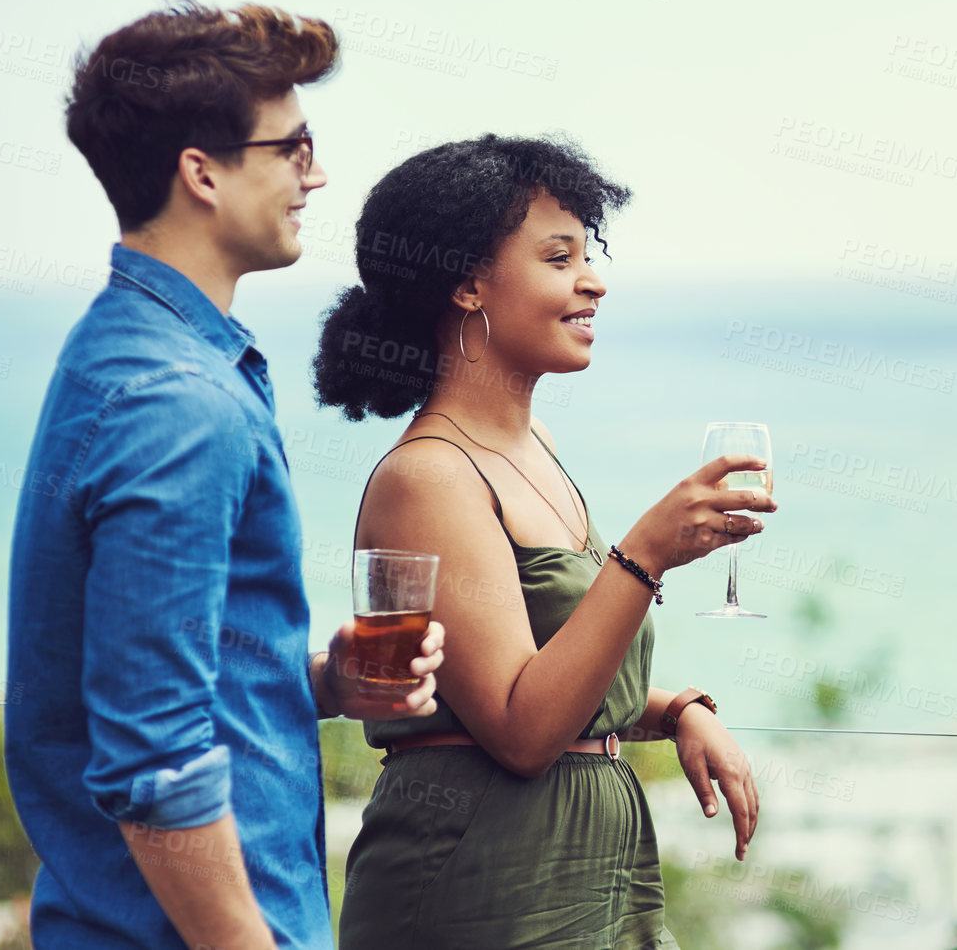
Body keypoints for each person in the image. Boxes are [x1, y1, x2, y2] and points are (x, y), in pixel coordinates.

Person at [5, 1, 445, 950]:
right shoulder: (177, 400)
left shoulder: (123, 352)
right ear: (201, 172)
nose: (315, 173)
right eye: (293, 146)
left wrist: (323, 682)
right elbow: (153, 763)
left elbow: (140, 672)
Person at [312, 133, 768, 948]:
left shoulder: (537, 446)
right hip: (480, 875)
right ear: (466, 283)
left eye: (587, 255)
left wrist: (673, 710)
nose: (592, 280)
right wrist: (644, 554)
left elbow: (534, 670)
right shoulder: (429, 478)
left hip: (587, 863)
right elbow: (521, 729)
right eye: (559, 258)